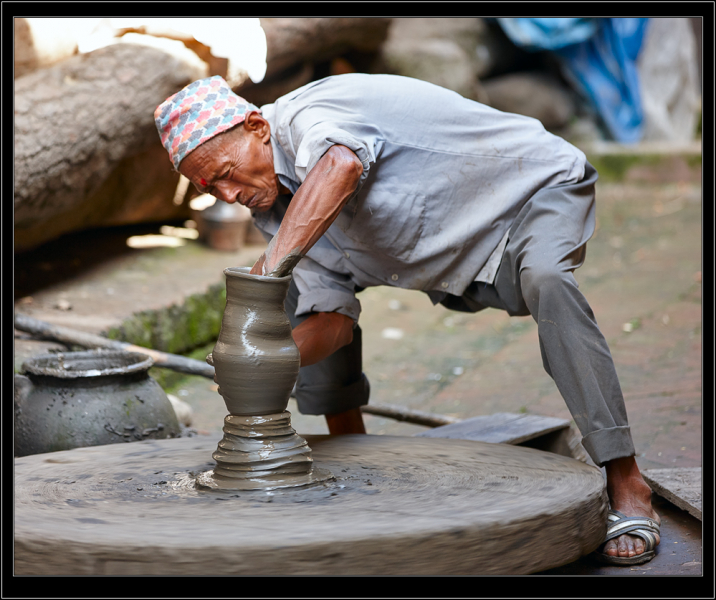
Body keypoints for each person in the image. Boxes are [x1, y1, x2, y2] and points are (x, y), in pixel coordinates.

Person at [155, 74, 660, 565]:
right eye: (209, 187)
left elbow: (340, 165)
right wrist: (263, 362)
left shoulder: (311, 115)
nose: (226, 195)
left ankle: (625, 476)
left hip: (528, 197)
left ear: (255, 128)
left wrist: (268, 269)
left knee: (548, 280)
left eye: (224, 172)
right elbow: (331, 319)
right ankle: (349, 451)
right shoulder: (274, 209)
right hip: (447, 257)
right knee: (283, 307)